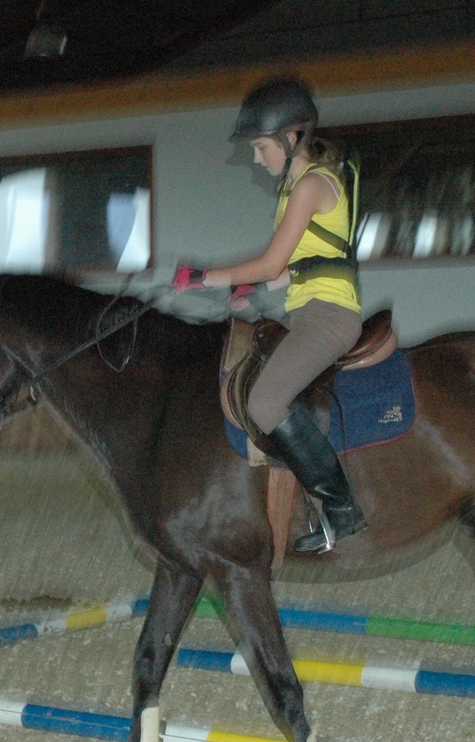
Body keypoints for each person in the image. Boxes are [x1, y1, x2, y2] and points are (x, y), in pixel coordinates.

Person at [174, 79, 367, 553]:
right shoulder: (295, 189)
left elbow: (271, 263)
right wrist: (250, 287)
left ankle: (341, 509)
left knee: (265, 402)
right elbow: (296, 267)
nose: (258, 159)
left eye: (261, 148)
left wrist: (203, 277)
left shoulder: (312, 185)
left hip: (328, 317)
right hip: (306, 311)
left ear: (292, 137)